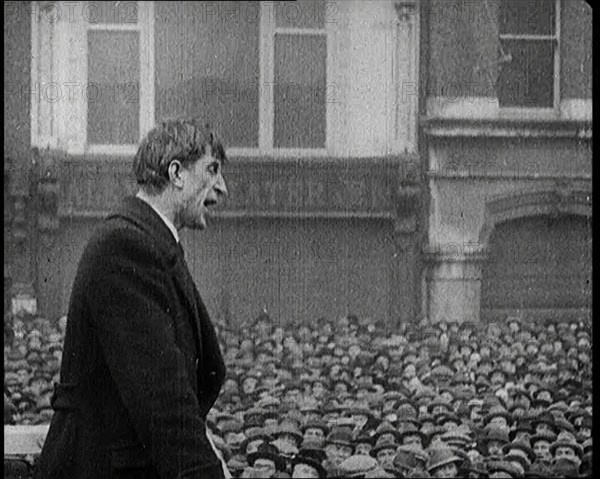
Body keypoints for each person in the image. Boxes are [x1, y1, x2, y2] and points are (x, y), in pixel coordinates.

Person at [34, 120, 229, 479]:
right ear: (177, 173)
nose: (222, 188)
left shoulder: (148, 242)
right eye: (212, 170)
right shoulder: (127, 246)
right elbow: (162, 399)